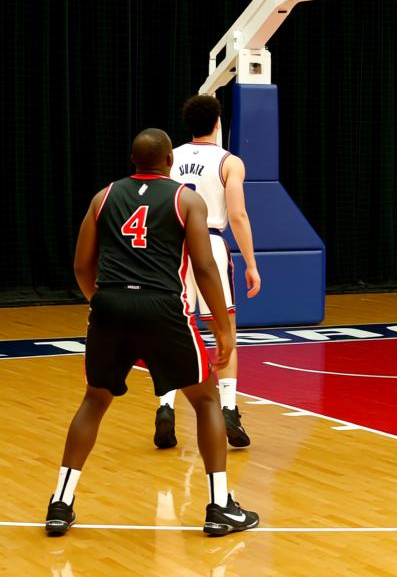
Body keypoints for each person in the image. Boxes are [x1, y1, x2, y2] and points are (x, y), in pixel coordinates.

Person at [45, 129, 259, 537]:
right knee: (208, 399)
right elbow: (204, 267)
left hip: (109, 305)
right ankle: (219, 506)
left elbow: (80, 265)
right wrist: (224, 327)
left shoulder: (102, 197)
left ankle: (60, 502)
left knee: (94, 400)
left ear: (132, 158)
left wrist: (99, 300)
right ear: (168, 163)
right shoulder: (185, 199)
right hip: (163, 308)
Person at [154, 95, 261, 450]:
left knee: (171, 330)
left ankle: (165, 407)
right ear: (218, 123)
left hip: (173, 246)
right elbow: (239, 215)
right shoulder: (230, 162)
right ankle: (229, 409)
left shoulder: (171, 157)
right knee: (223, 327)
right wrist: (251, 262)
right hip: (211, 244)